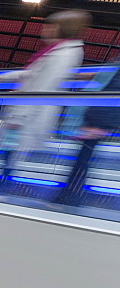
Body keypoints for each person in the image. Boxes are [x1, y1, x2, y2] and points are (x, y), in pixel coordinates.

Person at [0, 10, 89, 196]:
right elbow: (34, 74)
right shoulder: (59, 50)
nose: (44, 29)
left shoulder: (63, 54)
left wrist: (20, 115)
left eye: (48, 26)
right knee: (10, 151)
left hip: (27, 112)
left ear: (59, 29)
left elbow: (42, 86)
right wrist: (2, 77)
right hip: (27, 110)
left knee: (11, 152)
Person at [53, 63, 120, 207]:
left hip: (99, 117)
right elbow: (107, 79)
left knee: (82, 160)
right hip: (100, 116)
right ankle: (69, 196)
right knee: (83, 159)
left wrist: (93, 121)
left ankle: (70, 197)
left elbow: (112, 87)